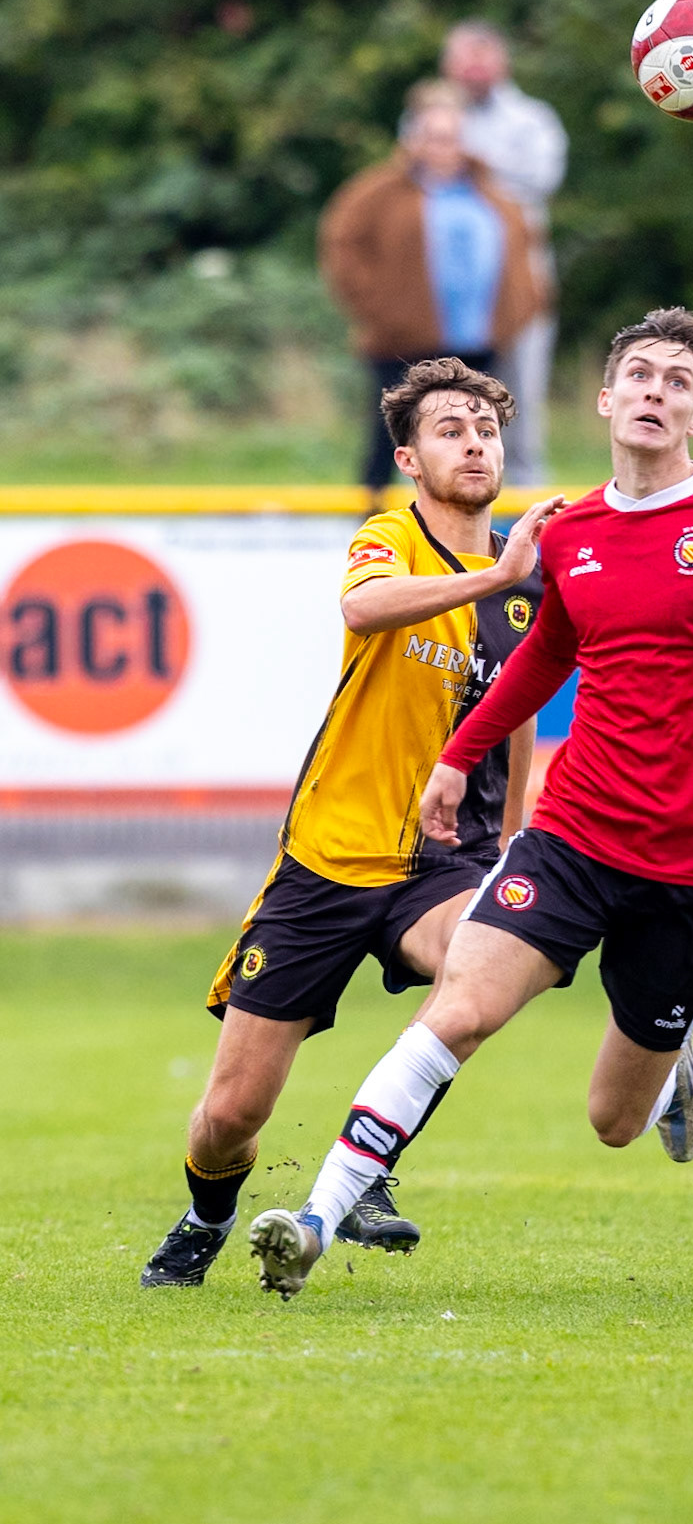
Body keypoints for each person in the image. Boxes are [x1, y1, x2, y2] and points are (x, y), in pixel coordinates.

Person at [248, 307, 693, 1301]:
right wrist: (456, 761)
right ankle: (313, 1223)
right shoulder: (573, 534)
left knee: (611, 1120)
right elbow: (540, 661)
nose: (654, 391)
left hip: (691, 866)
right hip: (570, 837)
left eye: (676, 382)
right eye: (637, 374)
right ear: (604, 400)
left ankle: (670, 1054)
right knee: (456, 1010)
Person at [140, 357, 561, 1287]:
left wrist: (518, 835)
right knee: (230, 1114)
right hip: (330, 859)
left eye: (486, 428)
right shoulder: (392, 539)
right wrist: (494, 575)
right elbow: (362, 609)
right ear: (409, 458)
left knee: (481, 969)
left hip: (448, 863)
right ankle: (206, 1218)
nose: (474, 443)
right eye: (450, 430)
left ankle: (367, 1169)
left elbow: (522, 715)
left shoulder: (527, 588)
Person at [319, 80, 544, 495]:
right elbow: (341, 247)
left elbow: (525, 252)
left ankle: (468, 540)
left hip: (478, 346)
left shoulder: (489, 192)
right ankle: (373, 540)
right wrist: (382, 310)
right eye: (435, 136)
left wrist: (524, 306)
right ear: (416, 138)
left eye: (453, 136)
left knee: (472, 446)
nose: (445, 147)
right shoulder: (378, 193)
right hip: (402, 346)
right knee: (389, 444)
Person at [441, 21, 568, 487]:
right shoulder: (427, 117)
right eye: (465, 57)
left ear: (502, 62)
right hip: (449, 286)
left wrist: (470, 166)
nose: (474, 67)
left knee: (522, 397)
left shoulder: (532, 119)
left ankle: (526, 502)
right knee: (448, 394)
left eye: (483, 55)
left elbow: (540, 179)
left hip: (519, 280)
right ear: (448, 65)